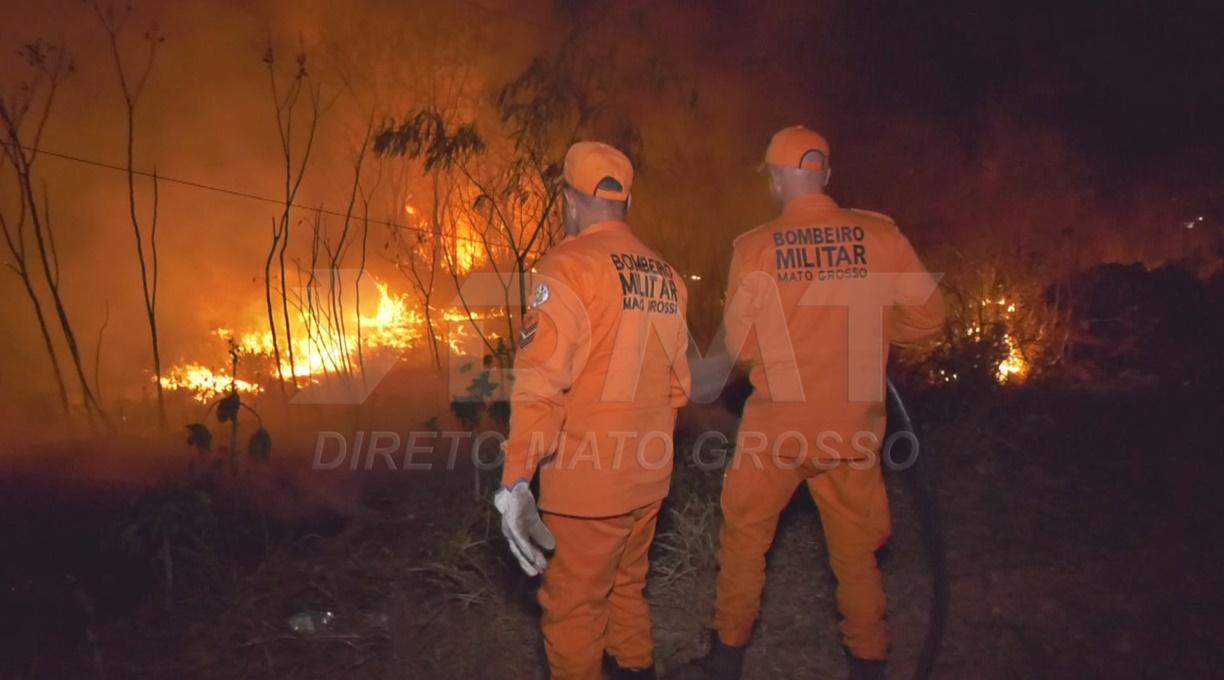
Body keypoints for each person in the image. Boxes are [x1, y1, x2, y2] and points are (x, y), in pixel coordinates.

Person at [672, 126, 946, 680]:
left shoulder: (754, 248)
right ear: (827, 175)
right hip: (852, 430)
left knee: (745, 540)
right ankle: (869, 663)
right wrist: (864, 327)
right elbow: (929, 319)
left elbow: (741, 350)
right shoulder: (880, 234)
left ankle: (725, 660)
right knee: (856, 556)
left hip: (779, 432)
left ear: (775, 181)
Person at [493, 141, 693, 680]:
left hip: (587, 490)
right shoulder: (668, 279)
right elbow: (679, 388)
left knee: (575, 616)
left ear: (570, 200)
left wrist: (516, 482)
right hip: (648, 482)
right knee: (626, 595)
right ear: (626, 201)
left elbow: (540, 387)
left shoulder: (568, 267)